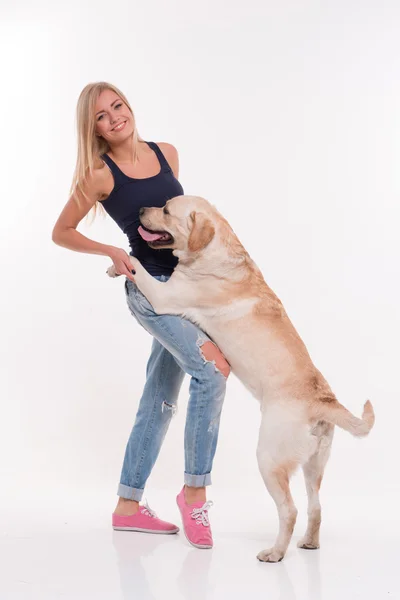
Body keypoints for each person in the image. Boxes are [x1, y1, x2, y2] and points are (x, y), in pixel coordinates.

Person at [52, 82, 231, 549]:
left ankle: (127, 508)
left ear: (129, 107)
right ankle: (195, 495)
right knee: (211, 372)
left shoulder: (167, 153)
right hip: (150, 293)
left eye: (117, 106)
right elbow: (62, 231)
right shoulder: (98, 175)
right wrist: (112, 249)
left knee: (159, 396)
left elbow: (175, 225)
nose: (114, 118)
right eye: (100, 117)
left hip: (189, 291)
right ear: (92, 129)